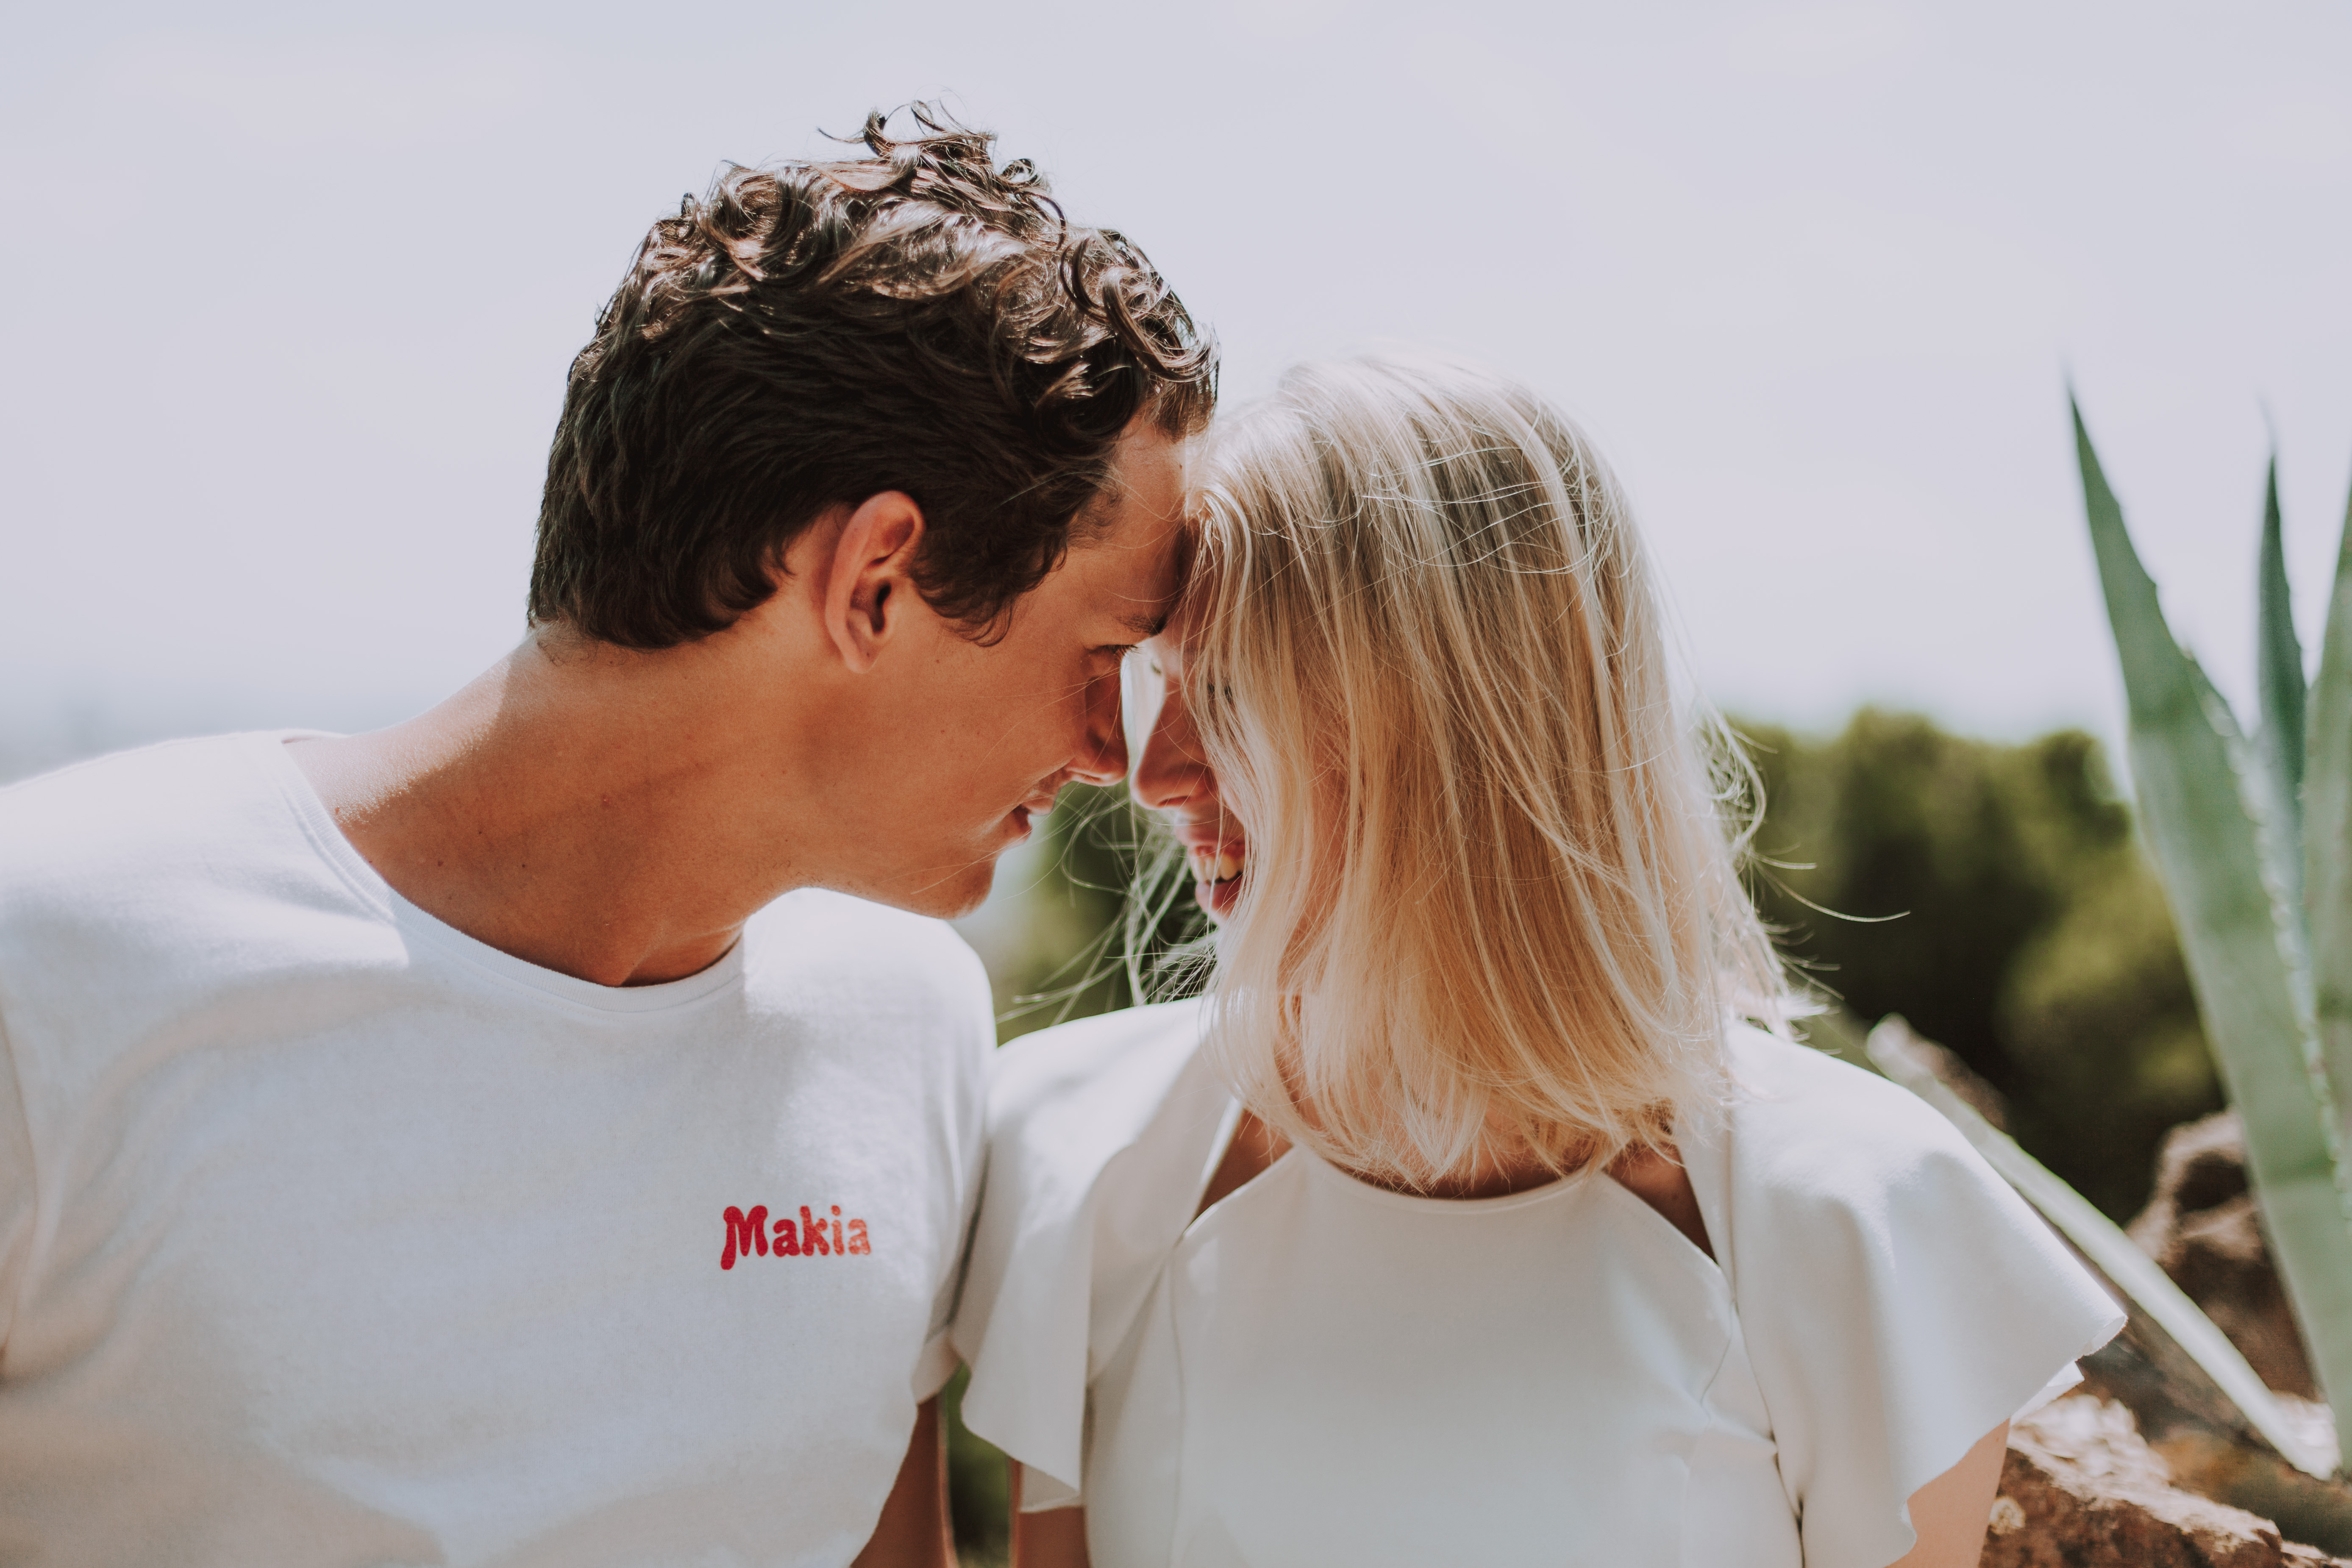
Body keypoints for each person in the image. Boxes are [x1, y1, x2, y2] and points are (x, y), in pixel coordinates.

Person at [0, 106, 1213, 1565]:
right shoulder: (49, 958)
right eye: (1103, 657)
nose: (1115, 754)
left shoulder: (904, 1025)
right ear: (876, 580)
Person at [952, 353, 2121, 1568]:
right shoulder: (1076, 1149)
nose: (1158, 776)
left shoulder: (1863, 1218)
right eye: (1167, 685)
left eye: (1239, 693)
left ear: (1465, 727)